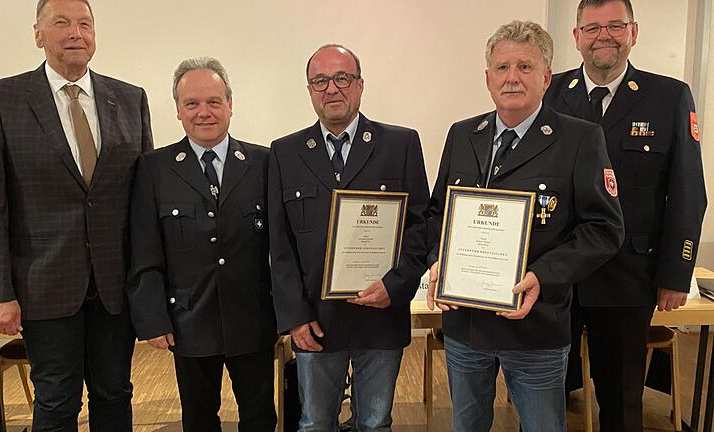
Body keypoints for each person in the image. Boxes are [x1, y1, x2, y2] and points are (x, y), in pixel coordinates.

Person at [426, 21, 624, 432]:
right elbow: (436, 214)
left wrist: (541, 275)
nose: (511, 77)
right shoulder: (463, 135)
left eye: (525, 67)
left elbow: (604, 228)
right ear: (487, 78)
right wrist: (437, 262)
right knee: (467, 425)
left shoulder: (580, 139)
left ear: (547, 77)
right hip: (465, 326)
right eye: (501, 67)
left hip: (535, 327)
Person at [0, 0, 153, 430]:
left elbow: (145, 201)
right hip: (44, 284)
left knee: (115, 393)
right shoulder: (3, 98)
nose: (75, 33)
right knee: (55, 398)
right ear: (38, 34)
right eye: (61, 23)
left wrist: (149, 281)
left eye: (84, 23)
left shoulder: (129, 98)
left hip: (115, 287)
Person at [543, 0, 707, 429]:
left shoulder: (669, 96)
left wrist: (675, 274)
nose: (605, 36)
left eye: (616, 26)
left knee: (620, 400)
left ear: (634, 32)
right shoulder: (548, 92)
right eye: (593, 27)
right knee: (542, 392)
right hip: (553, 274)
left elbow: (688, 191)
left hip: (627, 274)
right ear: (576, 37)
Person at [268, 44, 429, 431]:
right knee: (315, 423)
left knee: (374, 423)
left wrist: (396, 285)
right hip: (316, 321)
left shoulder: (400, 144)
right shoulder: (284, 152)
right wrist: (294, 318)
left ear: (359, 85)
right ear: (309, 90)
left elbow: (421, 226)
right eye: (320, 80)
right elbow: (280, 244)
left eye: (342, 78)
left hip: (381, 315)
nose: (331, 89)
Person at [126, 57, 277, 431]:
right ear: (178, 111)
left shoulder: (264, 163)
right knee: (198, 417)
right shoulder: (154, 169)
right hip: (189, 320)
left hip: (252, 317)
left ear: (230, 104)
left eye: (213, 101)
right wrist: (153, 317)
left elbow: (283, 248)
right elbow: (145, 249)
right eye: (192, 104)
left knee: (259, 415)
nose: (204, 112)